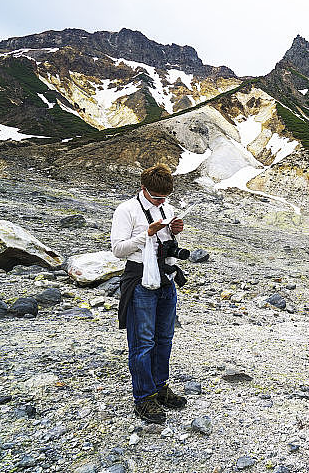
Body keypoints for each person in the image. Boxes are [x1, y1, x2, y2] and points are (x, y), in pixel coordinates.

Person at [111, 164, 188, 424]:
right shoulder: (127, 210)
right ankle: (144, 398)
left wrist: (173, 231)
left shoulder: (167, 208)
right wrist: (147, 234)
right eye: (156, 197)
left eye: (165, 197)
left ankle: (160, 387)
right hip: (140, 278)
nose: (161, 202)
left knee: (164, 338)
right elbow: (118, 249)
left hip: (166, 277)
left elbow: (166, 243)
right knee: (143, 342)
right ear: (143, 188)